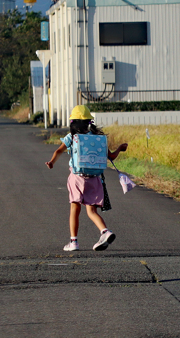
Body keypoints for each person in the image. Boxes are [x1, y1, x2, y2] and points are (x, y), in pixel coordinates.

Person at [46, 105, 128, 251]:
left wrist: (52, 162)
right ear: (89, 122)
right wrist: (120, 148)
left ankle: (74, 242)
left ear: (73, 122)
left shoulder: (72, 137)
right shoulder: (98, 138)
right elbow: (112, 157)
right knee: (91, 211)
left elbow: (58, 151)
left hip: (77, 177)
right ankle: (105, 231)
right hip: (95, 178)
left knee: (74, 208)